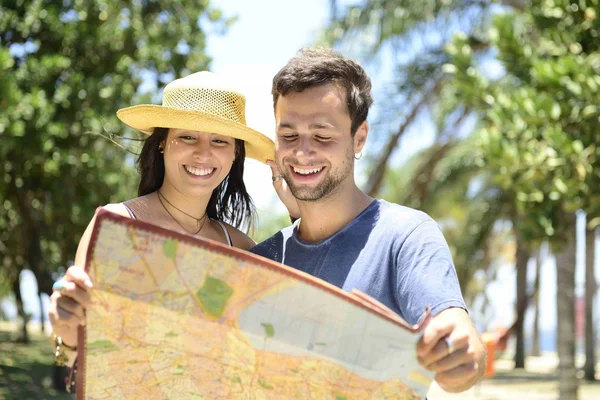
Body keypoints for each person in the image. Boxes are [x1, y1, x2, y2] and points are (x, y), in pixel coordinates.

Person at [252, 48, 487, 393]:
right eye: (288, 136)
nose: (302, 152)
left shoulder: (406, 236)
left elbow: (456, 331)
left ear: (359, 137)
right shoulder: (261, 262)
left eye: (322, 135)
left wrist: (462, 354)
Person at [48, 71, 275, 368]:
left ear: (235, 154)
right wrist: (66, 337)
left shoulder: (243, 248)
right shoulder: (116, 226)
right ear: (163, 143)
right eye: (188, 136)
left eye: (220, 141)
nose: (203, 153)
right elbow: (76, 364)